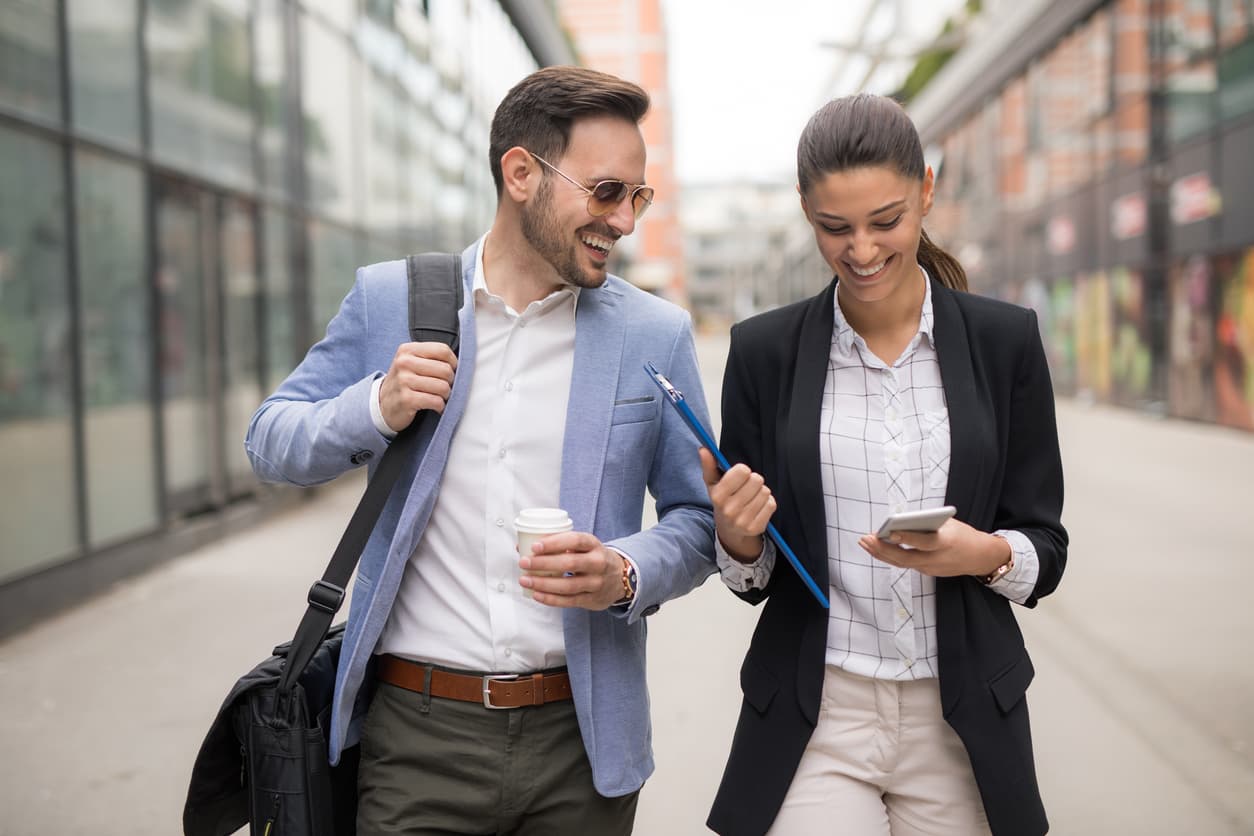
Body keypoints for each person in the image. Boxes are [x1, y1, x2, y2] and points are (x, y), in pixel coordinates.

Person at [245, 65, 717, 835]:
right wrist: (375, 405)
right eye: (605, 192)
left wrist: (625, 572)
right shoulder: (389, 300)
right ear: (522, 173)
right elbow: (269, 441)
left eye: (638, 197)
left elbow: (698, 520)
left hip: (581, 744)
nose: (624, 221)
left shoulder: (653, 335)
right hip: (416, 738)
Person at [700, 93, 1068, 836]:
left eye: (886, 221)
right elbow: (753, 577)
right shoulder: (764, 354)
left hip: (959, 715)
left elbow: (1046, 546)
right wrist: (737, 539)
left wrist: (983, 554)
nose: (861, 251)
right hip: (818, 715)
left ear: (927, 191)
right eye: (835, 229)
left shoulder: (1006, 344)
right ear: (807, 211)